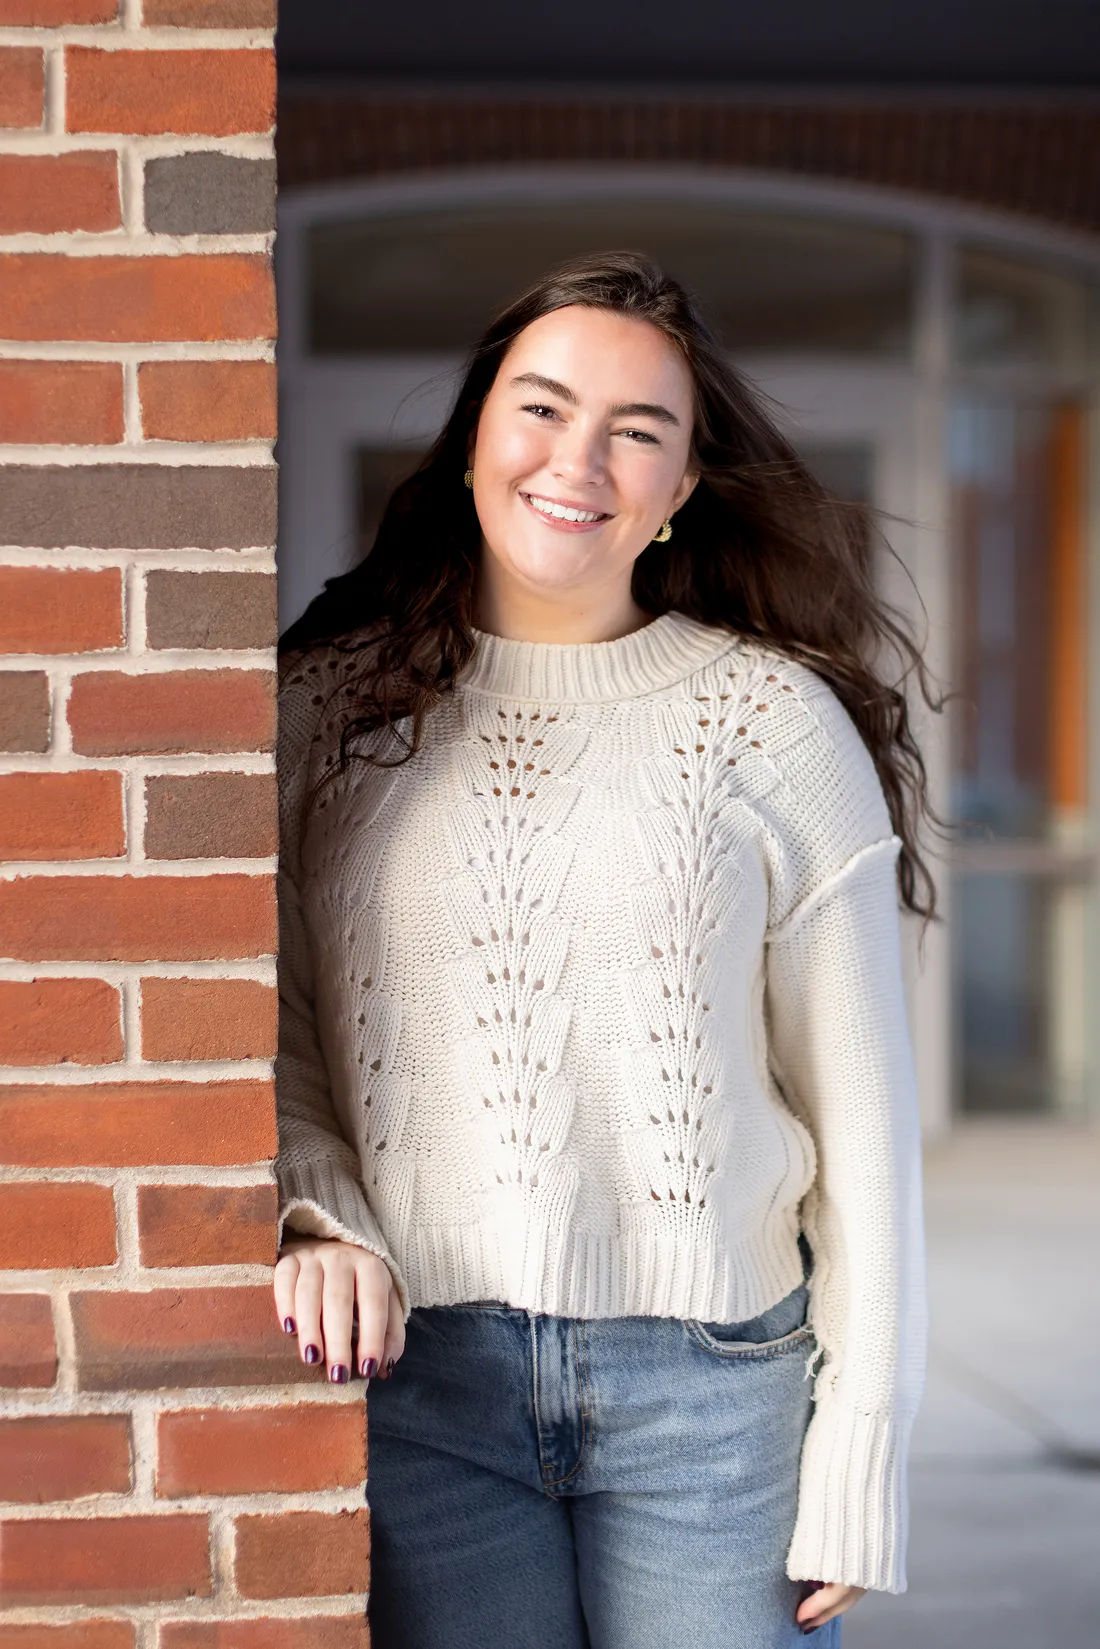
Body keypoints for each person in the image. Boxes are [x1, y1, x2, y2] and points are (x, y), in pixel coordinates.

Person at [271, 250, 932, 1648]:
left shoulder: (771, 723)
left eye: (640, 431)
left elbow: (863, 1124)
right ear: (473, 444)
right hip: (419, 1383)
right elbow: (258, 1019)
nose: (583, 459)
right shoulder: (324, 711)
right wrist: (318, 1203)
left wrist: (863, 1443)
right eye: (545, 409)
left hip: (713, 1397)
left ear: (682, 487)